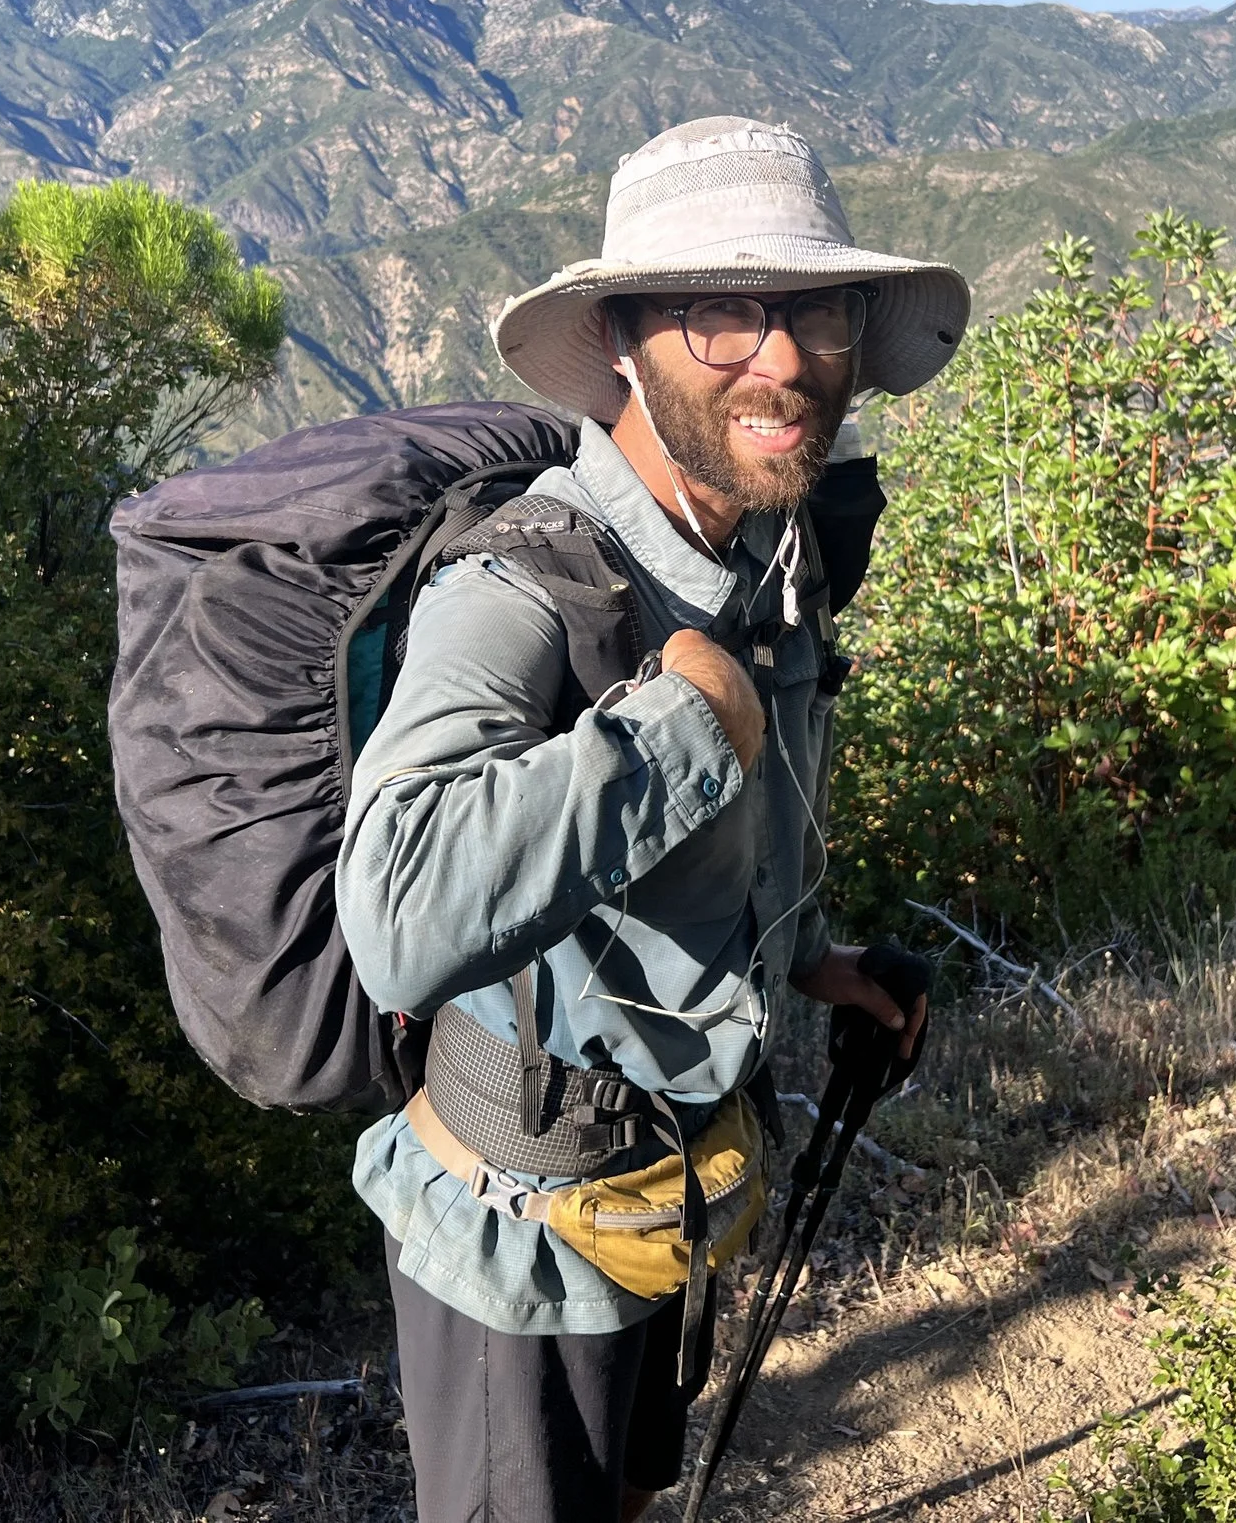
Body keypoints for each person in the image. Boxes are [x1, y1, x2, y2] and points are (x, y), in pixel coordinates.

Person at [335, 116, 969, 1523]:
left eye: (818, 311)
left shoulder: (759, 549)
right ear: (623, 338)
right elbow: (395, 909)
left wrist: (815, 964)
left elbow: (746, 834)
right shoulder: (520, 589)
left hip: (671, 1189)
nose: (787, 355)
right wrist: (678, 728)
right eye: (723, 313)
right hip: (521, 1231)